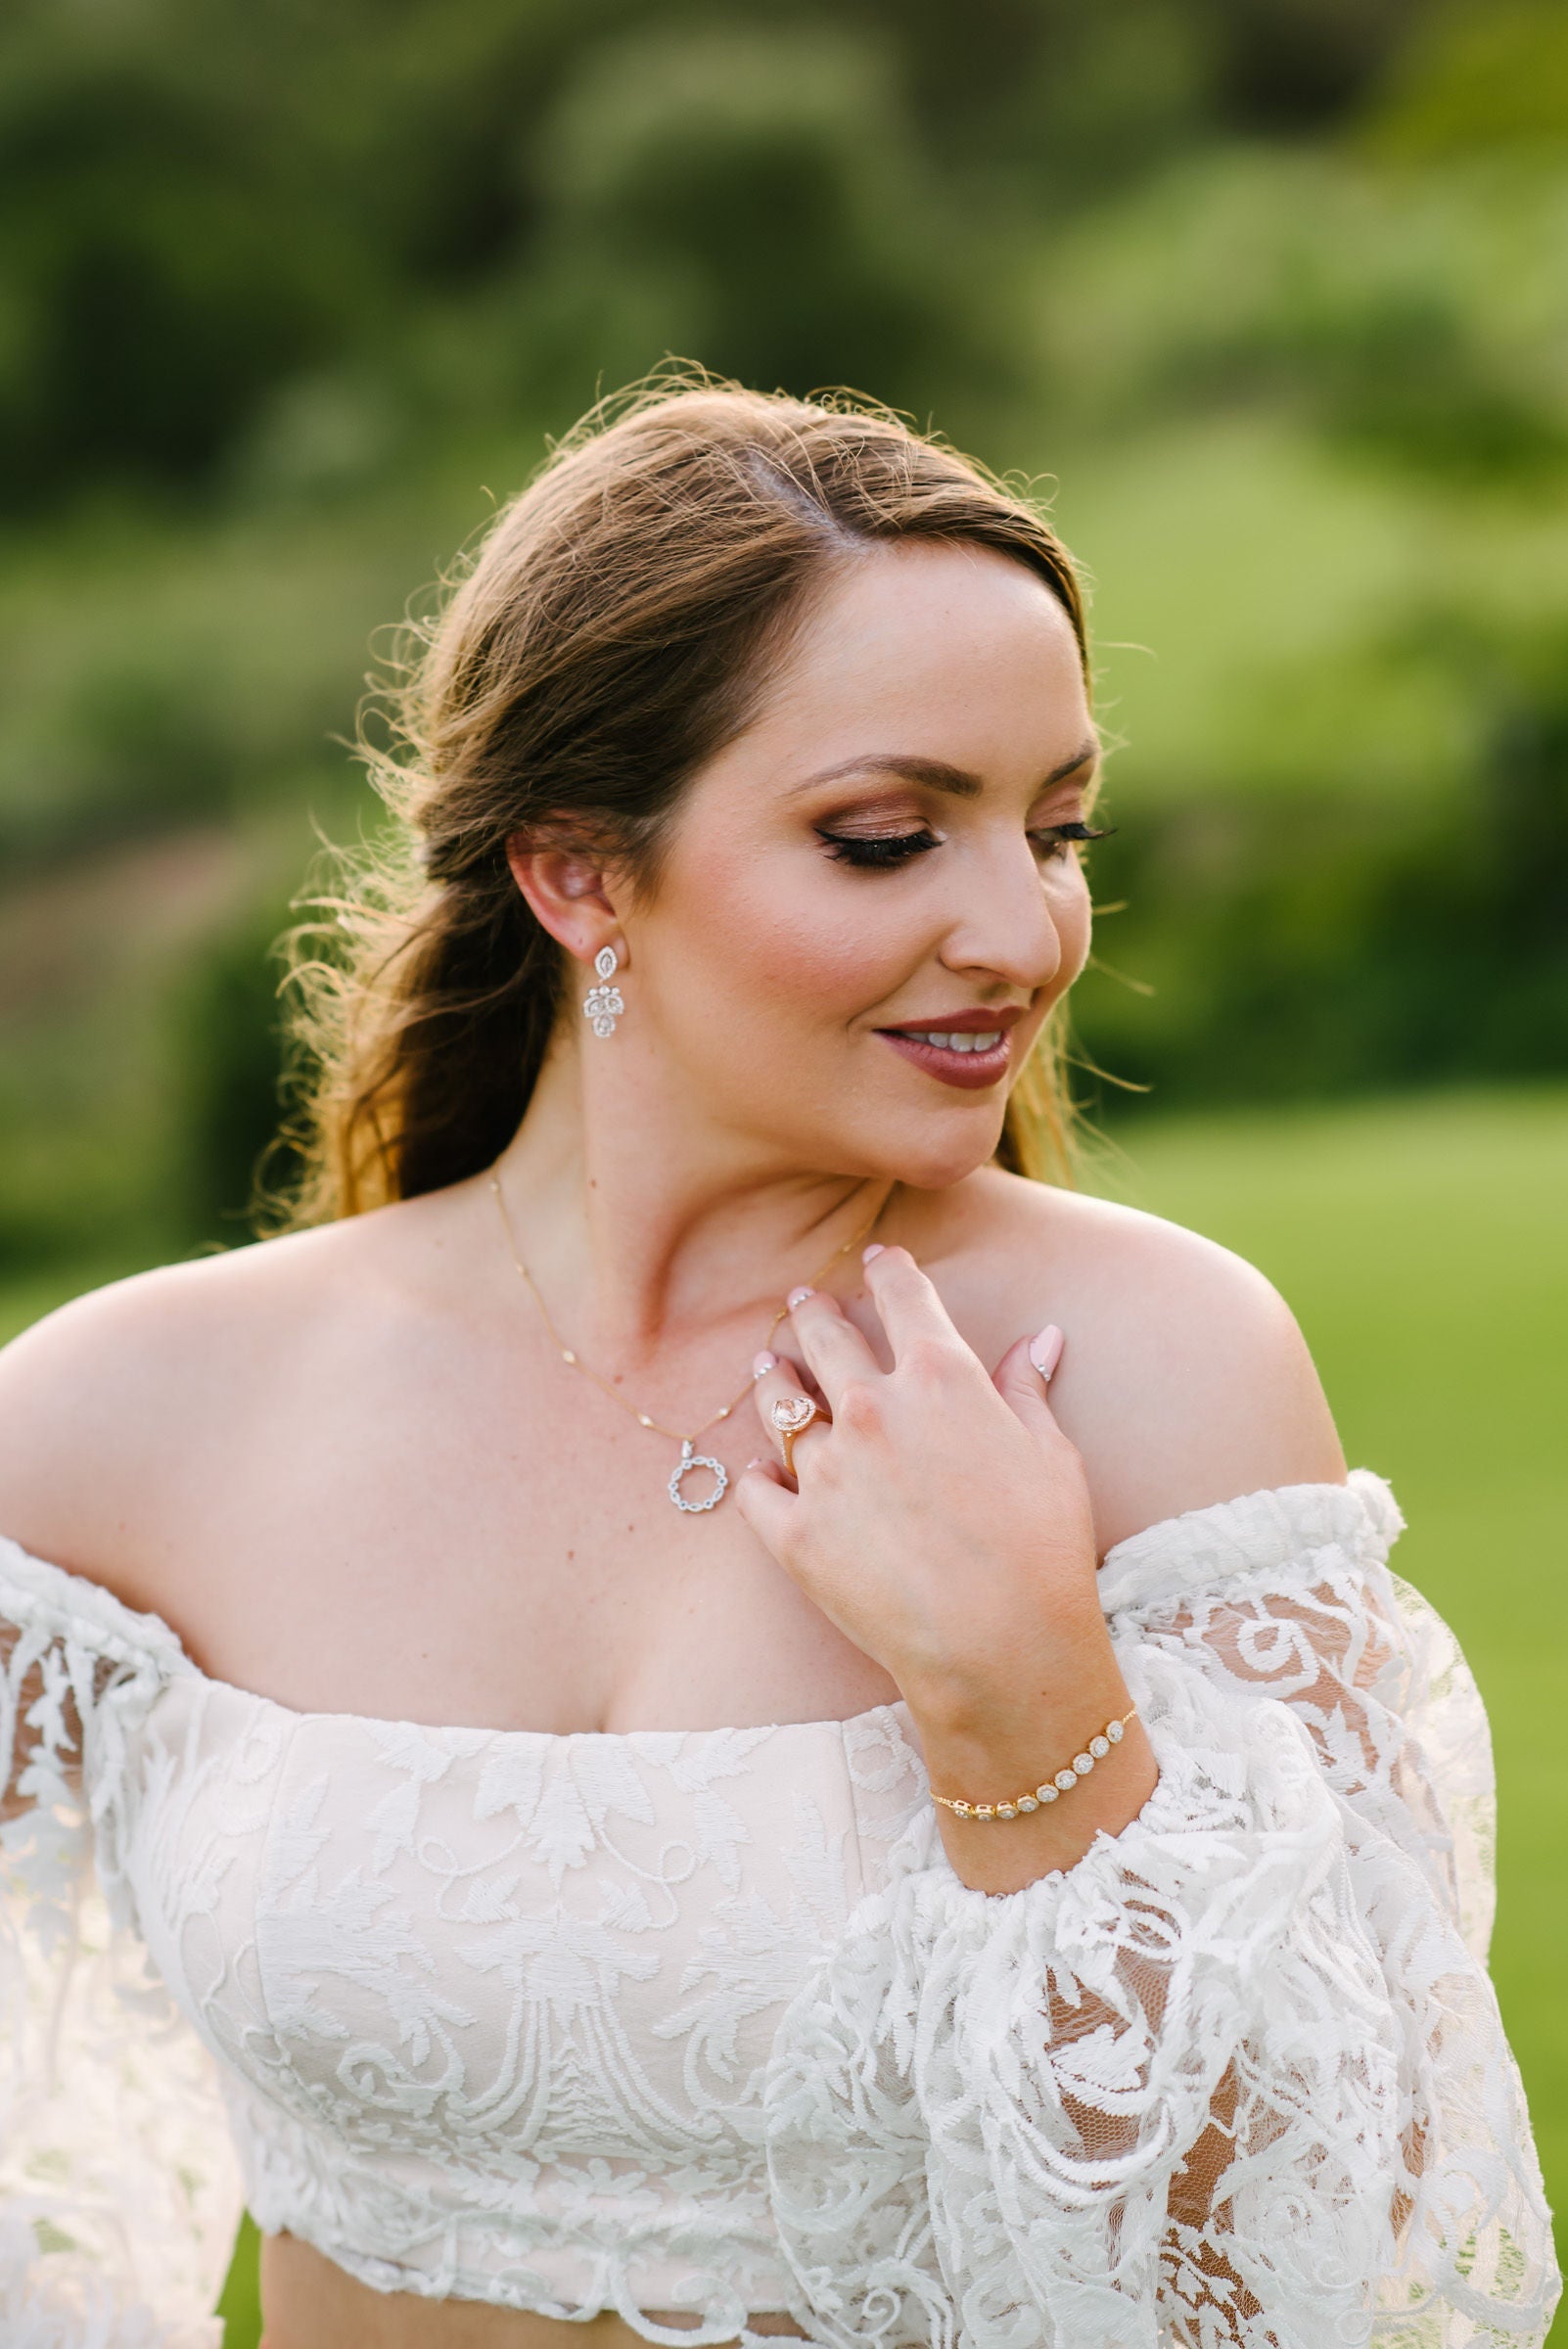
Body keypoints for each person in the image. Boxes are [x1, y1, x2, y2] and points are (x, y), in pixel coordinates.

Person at [0, 379, 1556, 2349]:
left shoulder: (1158, 1374)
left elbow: (1305, 2272)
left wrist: (1025, 1704)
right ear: (577, 876)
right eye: (889, 838)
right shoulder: (126, 1415)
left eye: (1058, 828)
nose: (1022, 928)